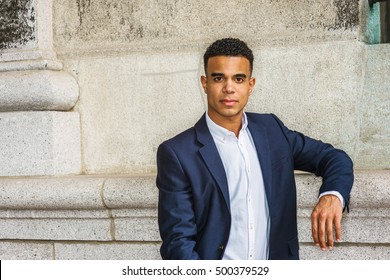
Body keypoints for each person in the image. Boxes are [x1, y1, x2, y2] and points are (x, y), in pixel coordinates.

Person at [156, 38, 354, 260]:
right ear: (205, 83)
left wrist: (332, 196)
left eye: (238, 79)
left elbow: (334, 158)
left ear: (250, 85)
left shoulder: (272, 131)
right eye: (219, 78)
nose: (229, 88)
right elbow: (178, 242)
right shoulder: (177, 153)